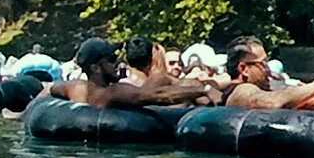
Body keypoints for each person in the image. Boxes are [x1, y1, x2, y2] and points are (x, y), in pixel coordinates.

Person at [44, 39, 222, 110]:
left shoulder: (74, 87)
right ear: (96, 68)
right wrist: (204, 89)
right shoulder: (113, 92)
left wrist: (21, 114)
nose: (117, 63)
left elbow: (48, 89)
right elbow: (158, 97)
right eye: (112, 59)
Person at [222, 46, 314, 110]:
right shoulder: (240, 91)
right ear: (244, 69)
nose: (268, 69)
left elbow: (288, 107)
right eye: (263, 64)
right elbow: (271, 103)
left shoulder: (254, 92)